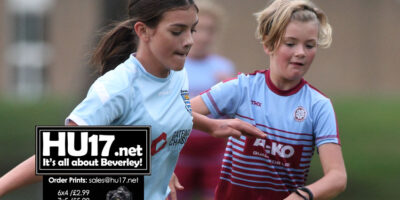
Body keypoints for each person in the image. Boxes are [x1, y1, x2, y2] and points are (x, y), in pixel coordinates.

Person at [0, 1, 266, 200]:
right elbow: (59, 156)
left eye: (192, 30)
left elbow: (165, 112)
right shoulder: (116, 88)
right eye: (177, 31)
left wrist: (208, 127)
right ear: (143, 31)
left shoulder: (176, 73)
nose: (188, 41)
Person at [190, 0, 347, 199]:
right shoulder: (242, 88)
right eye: (290, 43)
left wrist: (301, 196)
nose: (301, 52)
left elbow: (337, 177)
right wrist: (212, 125)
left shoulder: (318, 106)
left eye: (310, 45)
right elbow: (177, 112)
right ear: (268, 43)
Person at [174, 1, 235, 199]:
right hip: (179, 149)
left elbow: (235, 112)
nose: (205, 36)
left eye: (211, 30)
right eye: (199, 30)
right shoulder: (174, 66)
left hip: (215, 149)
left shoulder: (223, 67)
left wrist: (229, 88)